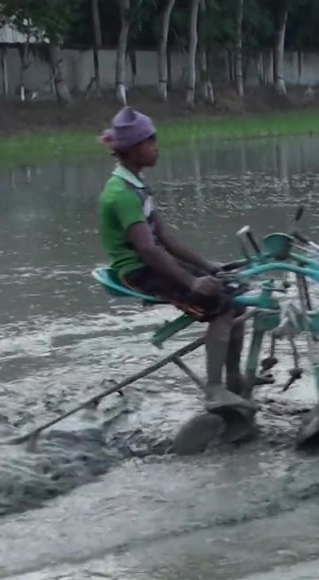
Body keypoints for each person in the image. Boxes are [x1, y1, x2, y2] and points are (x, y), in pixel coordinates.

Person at [97, 107, 254, 414]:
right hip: (139, 271)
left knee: (236, 294)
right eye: (151, 142)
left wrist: (207, 266)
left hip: (153, 261)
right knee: (220, 307)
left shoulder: (136, 185)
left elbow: (164, 238)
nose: (157, 147)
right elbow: (149, 250)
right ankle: (215, 390)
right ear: (133, 149)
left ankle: (234, 379)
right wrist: (192, 281)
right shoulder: (122, 194)